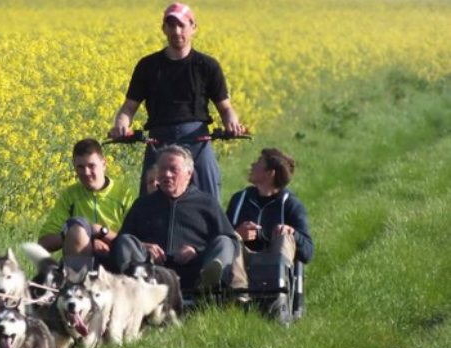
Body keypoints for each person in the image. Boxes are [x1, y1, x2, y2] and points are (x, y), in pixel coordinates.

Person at [109, 2, 246, 203]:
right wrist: (121, 124)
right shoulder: (147, 66)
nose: (176, 31)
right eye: (171, 25)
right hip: (158, 141)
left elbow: (225, 108)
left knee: (209, 201)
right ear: (163, 29)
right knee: (150, 203)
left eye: (182, 25)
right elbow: (129, 108)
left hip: (197, 142)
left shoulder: (207, 66)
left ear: (193, 27)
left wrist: (232, 124)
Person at [112, 145, 239, 290]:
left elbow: (232, 243)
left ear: (189, 173)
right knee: (125, 240)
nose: (167, 174)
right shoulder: (143, 204)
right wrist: (143, 246)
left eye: (173, 169)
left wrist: (197, 251)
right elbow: (119, 242)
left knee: (225, 241)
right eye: (163, 169)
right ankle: (139, 287)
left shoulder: (207, 203)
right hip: (153, 273)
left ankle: (207, 288)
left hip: (195, 269)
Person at [226, 148, 314, 319]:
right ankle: (240, 300)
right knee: (231, 239)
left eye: (258, 163)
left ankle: (277, 300)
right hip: (244, 261)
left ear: (270, 173)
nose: (252, 165)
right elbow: (222, 237)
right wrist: (237, 233)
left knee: (285, 237)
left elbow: (308, 253)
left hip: (275, 261)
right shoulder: (240, 199)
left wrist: (292, 233)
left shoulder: (291, 205)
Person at [38, 138, 135, 268]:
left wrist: (102, 233)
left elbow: (135, 243)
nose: (86, 173)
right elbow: (44, 243)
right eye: (80, 167)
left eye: (91, 166)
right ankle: (75, 285)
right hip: (81, 263)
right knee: (77, 229)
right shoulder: (70, 195)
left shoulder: (124, 194)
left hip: (116, 261)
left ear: (104, 164)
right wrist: (80, 237)